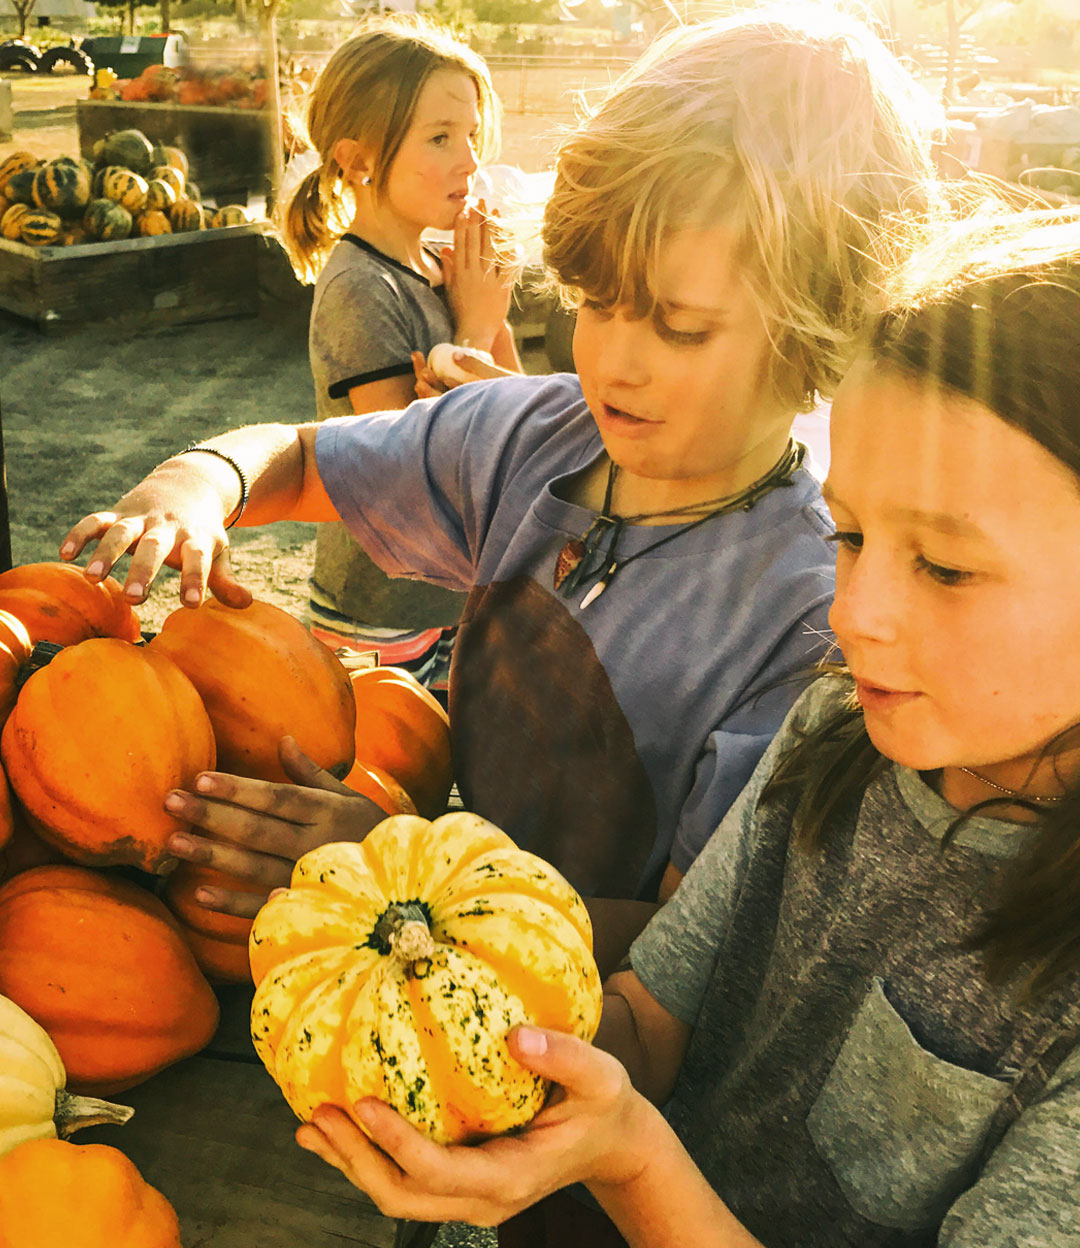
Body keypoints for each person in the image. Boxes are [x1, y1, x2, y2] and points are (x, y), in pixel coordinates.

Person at [61, 5, 939, 977]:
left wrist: (402, 880)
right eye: (597, 304)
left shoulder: (809, 617)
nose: (615, 362)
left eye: (680, 328)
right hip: (415, 954)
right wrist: (193, 487)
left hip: (576, 1051)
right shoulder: (536, 436)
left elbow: (683, 950)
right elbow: (305, 459)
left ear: (823, 329)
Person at [288, 209, 1080, 1247]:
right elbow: (651, 1021)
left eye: (944, 566)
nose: (853, 613)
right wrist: (474, 1066)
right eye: (847, 536)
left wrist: (626, 1158)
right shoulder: (830, 736)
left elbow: (634, 1130)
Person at [280, 14, 520, 693]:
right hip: (378, 618)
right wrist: (469, 335)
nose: (470, 161)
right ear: (358, 161)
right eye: (440, 137)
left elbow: (510, 417)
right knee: (392, 781)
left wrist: (488, 312)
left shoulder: (443, 265)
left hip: (452, 597)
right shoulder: (360, 287)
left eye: (470, 135)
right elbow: (404, 476)